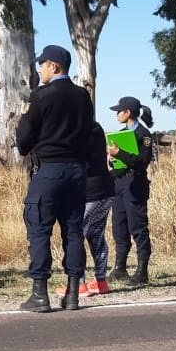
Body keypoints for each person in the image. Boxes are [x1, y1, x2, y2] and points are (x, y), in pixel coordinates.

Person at [15, 45, 95, 312]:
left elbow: (24, 138)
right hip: (76, 171)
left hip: (49, 170)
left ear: (55, 67)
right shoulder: (83, 96)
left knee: (39, 229)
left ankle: (40, 293)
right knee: (73, 231)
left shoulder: (41, 96)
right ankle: (72, 293)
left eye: (43, 65)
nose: (40, 69)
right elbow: (89, 131)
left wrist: (27, 141)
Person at [55, 122, 116, 299]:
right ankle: (101, 281)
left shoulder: (77, 129)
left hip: (89, 191)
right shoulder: (95, 126)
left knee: (76, 235)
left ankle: (79, 284)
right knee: (96, 235)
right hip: (106, 188)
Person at [107, 96, 154, 285]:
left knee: (138, 227)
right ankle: (120, 268)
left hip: (135, 185)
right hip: (119, 185)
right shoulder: (120, 134)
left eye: (119, 111)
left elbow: (141, 162)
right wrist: (112, 162)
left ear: (128, 113)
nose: (117, 114)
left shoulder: (145, 135)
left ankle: (142, 271)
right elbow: (122, 164)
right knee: (119, 227)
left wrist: (120, 154)